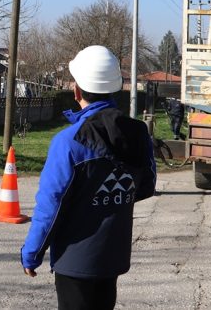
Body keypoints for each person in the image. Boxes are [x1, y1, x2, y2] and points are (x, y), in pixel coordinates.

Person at [21, 45, 157, 310]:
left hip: (75, 260)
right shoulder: (138, 133)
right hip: (113, 257)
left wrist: (32, 253)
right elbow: (146, 187)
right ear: (115, 88)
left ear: (77, 91)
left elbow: (51, 203)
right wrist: (110, 198)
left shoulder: (68, 142)